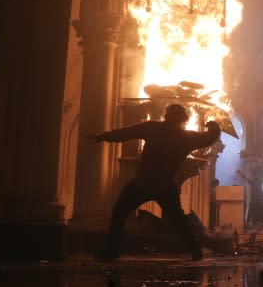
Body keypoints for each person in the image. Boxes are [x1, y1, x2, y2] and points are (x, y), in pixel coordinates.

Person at [93, 104, 221, 261]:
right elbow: (209, 138)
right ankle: (196, 250)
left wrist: (104, 136)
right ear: (183, 120)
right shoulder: (186, 138)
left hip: (143, 183)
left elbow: (126, 133)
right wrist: (213, 126)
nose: (166, 116)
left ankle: (111, 252)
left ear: (168, 116)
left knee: (120, 212)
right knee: (178, 220)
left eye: (169, 114)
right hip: (165, 186)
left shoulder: (153, 128)